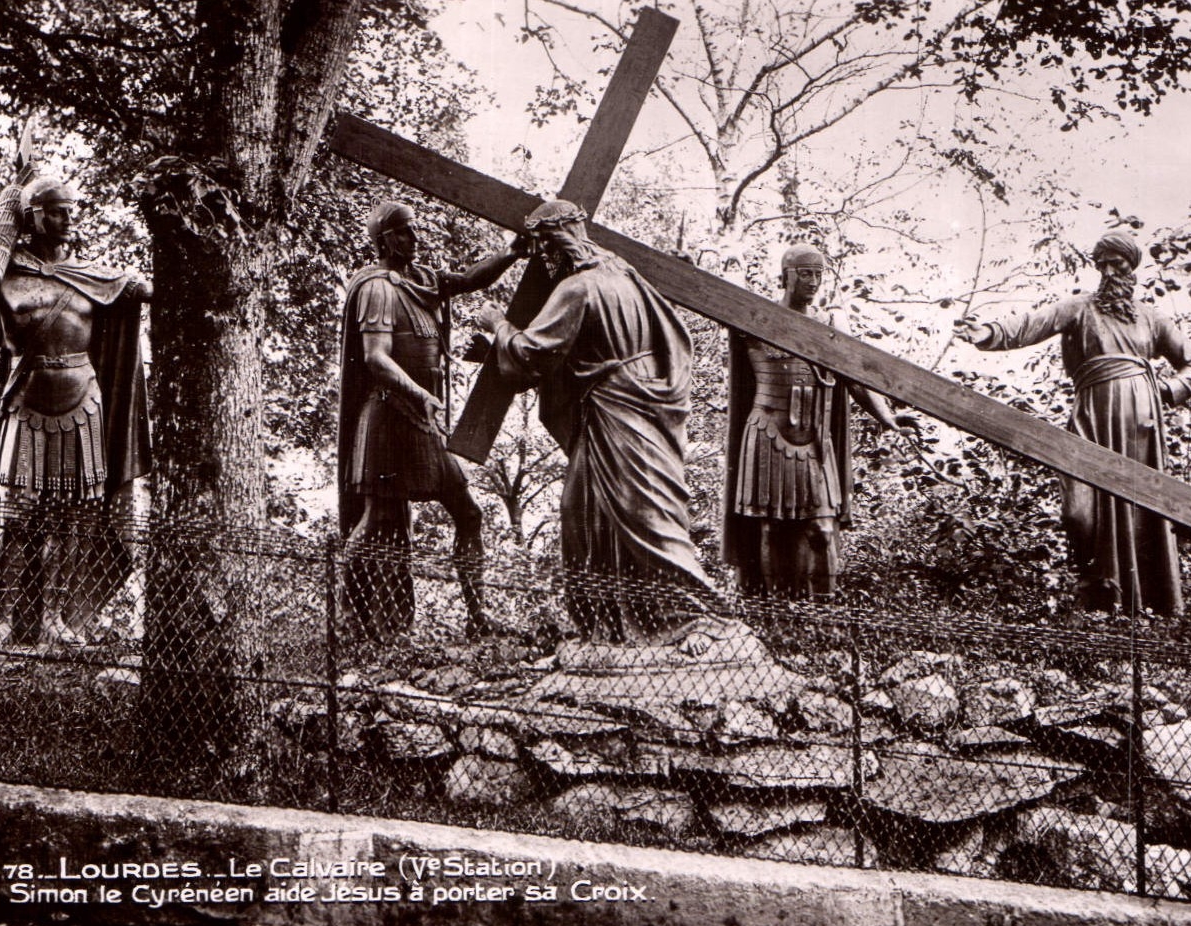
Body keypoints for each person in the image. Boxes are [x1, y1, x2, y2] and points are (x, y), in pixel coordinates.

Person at [466, 199, 715, 642]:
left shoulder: (577, 288)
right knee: (587, 508)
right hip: (641, 404)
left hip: (618, 412)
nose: (544, 259)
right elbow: (590, 353)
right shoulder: (627, 275)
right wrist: (494, 353)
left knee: (642, 511)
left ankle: (694, 615)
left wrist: (497, 324)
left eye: (545, 248)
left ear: (557, 244)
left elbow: (533, 354)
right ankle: (612, 625)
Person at [956, 231, 1191, 615]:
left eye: (1116, 264)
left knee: (1142, 510)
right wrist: (988, 332)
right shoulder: (1080, 308)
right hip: (1092, 415)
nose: (1108, 272)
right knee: (1078, 513)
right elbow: (1033, 323)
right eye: (1102, 265)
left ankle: (1139, 610)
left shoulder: (1151, 318)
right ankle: (1098, 588)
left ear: (1131, 267)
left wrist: (1168, 391)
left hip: (1140, 419)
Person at [0, 169, 151, 647]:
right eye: (58, 212)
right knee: (14, 517)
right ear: (33, 217)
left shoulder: (93, 276)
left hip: (83, 404)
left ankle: (54, 620)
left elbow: (146, 290)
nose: (68, 219)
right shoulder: (5, 276)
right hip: (25, 403)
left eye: (71, 211)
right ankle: (1, 626)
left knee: (69, 520)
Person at [338, 200, 526, 640]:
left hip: (424, 419)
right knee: (376, 520)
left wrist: (513, 252)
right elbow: (376, 358)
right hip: (389, 416)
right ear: (386, 239)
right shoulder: (377, 288)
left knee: (469, 513)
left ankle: (477, 617)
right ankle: (348, 616)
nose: (415, 238)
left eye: (415, 230)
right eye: (405, 232)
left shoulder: (424, 280)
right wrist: (421, 392)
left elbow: (471, 279)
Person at [723, 244, 916, 601]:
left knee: (822, 529)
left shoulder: (828, 325)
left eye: (818, 274)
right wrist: (724, 263)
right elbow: (716, 299)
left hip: (814, 440)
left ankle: (824, 614)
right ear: (786, 276)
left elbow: (856, 377)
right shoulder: (756, 317)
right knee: (771, 529)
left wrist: (886, 416)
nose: (813, 281)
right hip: (767, 433)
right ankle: (777, 611)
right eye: (805, 274)